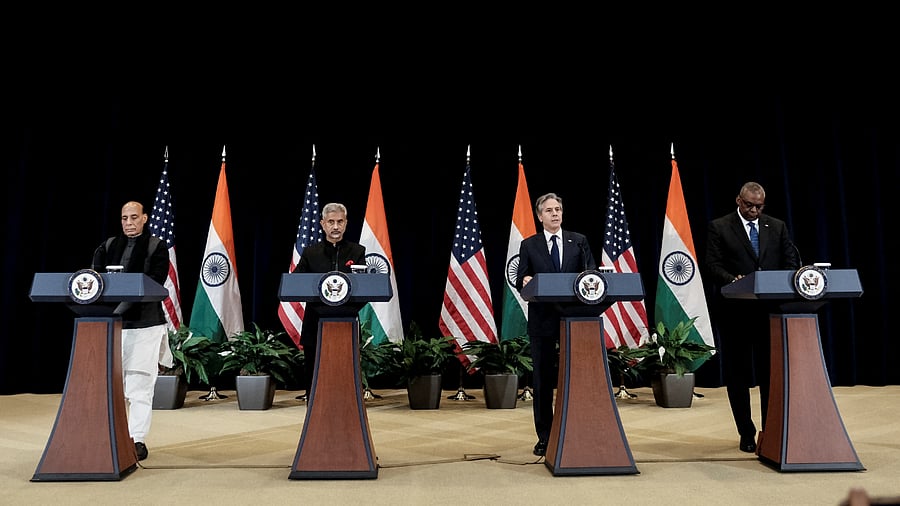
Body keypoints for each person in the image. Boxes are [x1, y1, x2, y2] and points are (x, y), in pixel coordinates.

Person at [705, 181, 800, 453]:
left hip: (769, 313)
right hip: (735, 314)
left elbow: (789, 262)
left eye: (759, 206)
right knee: (738, 376)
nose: (754, 210)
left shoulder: (777, 226)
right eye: (749, 205)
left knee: (770, 374)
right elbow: (712, 264)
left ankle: (770, 430)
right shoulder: (720, 227)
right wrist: (733, 280)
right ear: (739, 200)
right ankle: (746, 432)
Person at [515, 192, 596, 457]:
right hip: (543, 321)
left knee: (578, 377)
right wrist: (525, 280)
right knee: (542, 381)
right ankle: (545, 437)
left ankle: (577, 431)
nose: (555, 214)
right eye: (549, 210)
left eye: (558, 209)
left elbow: (591, 275)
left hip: (575, 319)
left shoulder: (578, 241)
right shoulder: (529, 245)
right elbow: (521, 278)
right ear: (540, 216)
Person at [91, 201, 172, 461]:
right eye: (124, 218)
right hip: (111, 324)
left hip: (145, 325)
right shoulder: (108, 246)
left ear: (144, 218)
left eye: (134, 217)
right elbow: (94, 280)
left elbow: (156, 282)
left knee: (139, 386)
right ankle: (109, 437)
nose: (129, 222)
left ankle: (137, 439)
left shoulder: (156, 247)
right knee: (110, 386)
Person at [292, 202, 366, 400]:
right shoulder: (310, 253)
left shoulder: (357, 251)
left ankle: (347, 406)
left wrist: (345, 308)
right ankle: (313, 405)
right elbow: (296, 283)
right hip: (315, 321)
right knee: (314, 372)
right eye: (331, 222)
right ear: (323, 224)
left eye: (340, 222)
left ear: (346, 223)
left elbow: (365, 288)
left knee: (345, 373)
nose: (335, 226)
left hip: (346, 322)